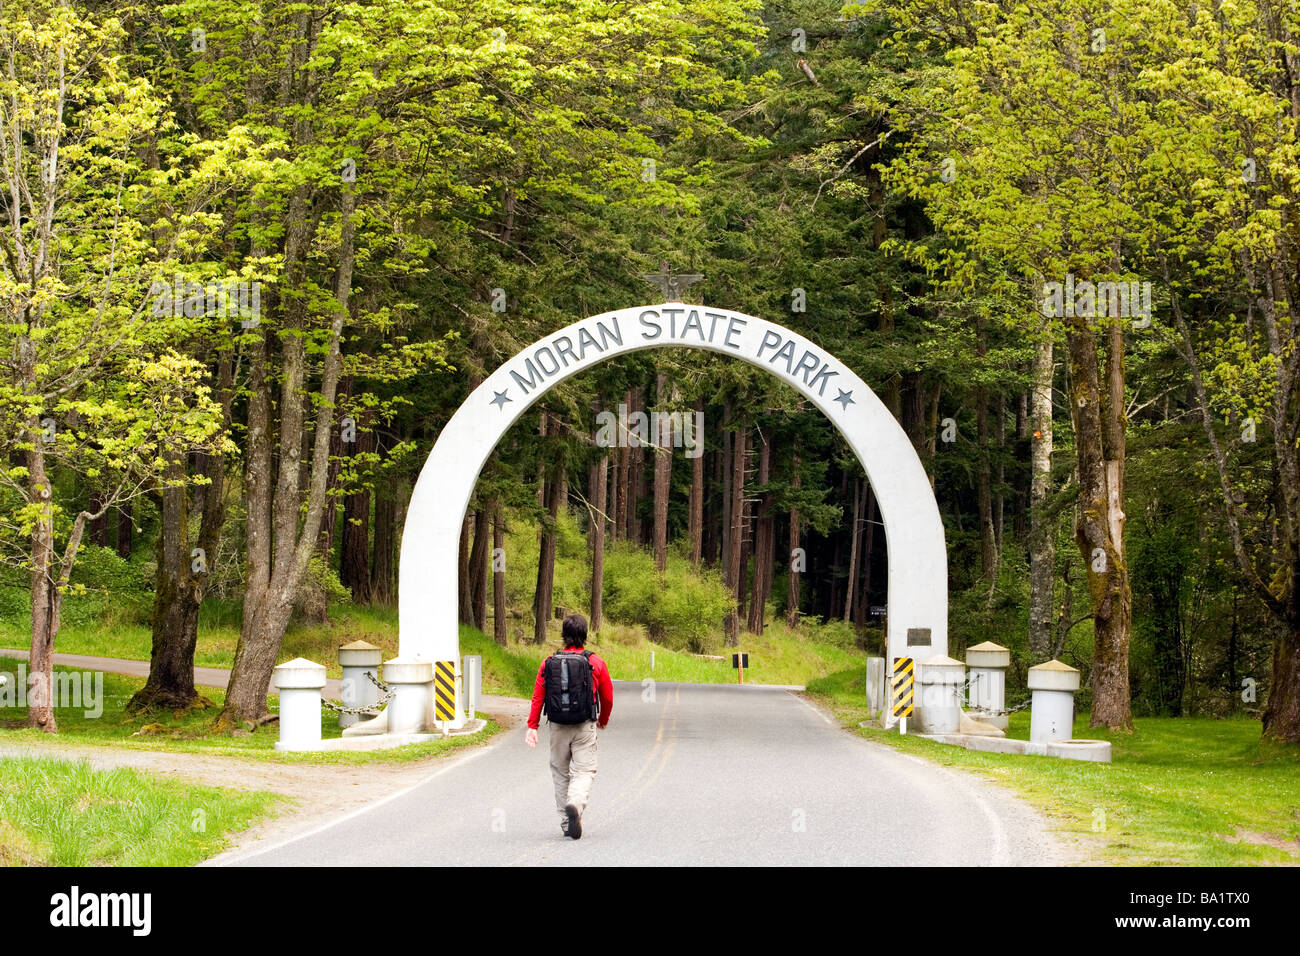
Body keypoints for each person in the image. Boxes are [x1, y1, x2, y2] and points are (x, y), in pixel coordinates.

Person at [525, 613, 613, 839]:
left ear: (563, 635)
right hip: (584, 725)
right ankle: (575, 803)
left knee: (560, 772)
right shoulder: (595, 662)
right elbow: (608, 697)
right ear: (585, 635)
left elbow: (538, 696)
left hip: (557, 725)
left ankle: (566, 822)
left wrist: (532, 726)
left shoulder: (549, 662)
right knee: (584, 770)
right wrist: (603, 720)